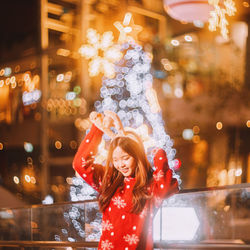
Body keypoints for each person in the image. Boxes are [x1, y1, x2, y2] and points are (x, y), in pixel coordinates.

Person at [73, 110, 179, 250]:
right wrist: (97, 130)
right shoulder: (110, 180)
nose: (120, 165)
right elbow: (80, 164)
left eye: (125, 158)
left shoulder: (150, 185)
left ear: (138, 156)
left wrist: (158, 153)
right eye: (115, 160)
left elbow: (165, 188)